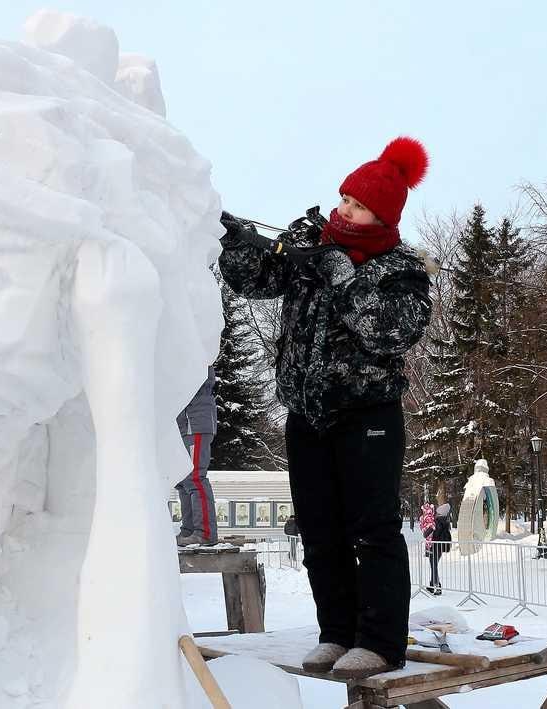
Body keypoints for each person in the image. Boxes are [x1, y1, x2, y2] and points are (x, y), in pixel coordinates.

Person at [218, 136, 432, 678]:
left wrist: (344, 279)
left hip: (368, 415)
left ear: (382, 215)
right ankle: (336, 633)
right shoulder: (310, 241)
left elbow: (389, 332)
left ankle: (381, 642)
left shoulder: (402, 269)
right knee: (318, 531)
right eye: (343, 198)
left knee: (372, 529)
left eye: (357, 205)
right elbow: (256, 280)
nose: (343, 210)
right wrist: (237, 242)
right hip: (305, 413)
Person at [175, 366, 218, 546]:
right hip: (185, 424)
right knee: (183, 480)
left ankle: (205, 532)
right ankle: (189, 529)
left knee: (195, 477)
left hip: (196, 423)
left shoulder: (195, 355)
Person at [422, 491, 452, 594]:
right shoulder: (446, 522)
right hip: (440, 547)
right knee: (434, 565)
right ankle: (432, 585)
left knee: (433, 566)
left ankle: (437, 587)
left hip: (434, 546)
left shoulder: (436, 522)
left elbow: (426, 534)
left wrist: (428, 529)